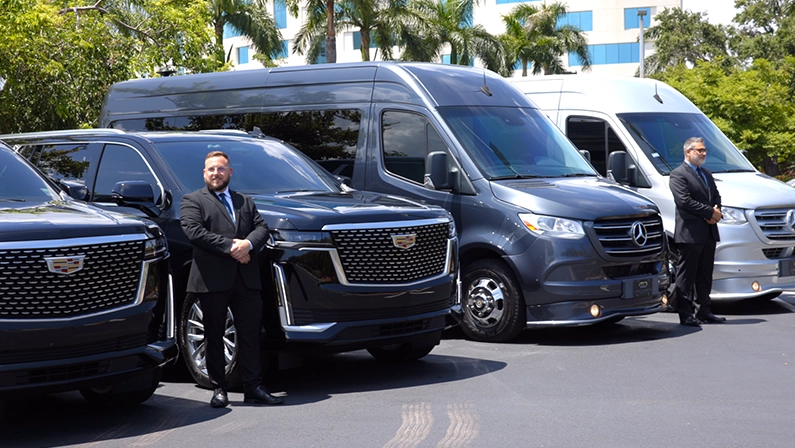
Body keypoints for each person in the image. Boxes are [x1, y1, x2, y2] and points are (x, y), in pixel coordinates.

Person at [181, 150, 285, 407]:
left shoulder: (244, 201)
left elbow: (261, 228)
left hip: (246, 279)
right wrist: (232, 248)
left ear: (230, 172)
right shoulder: (192, 200)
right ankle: (219, 389)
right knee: (214, 335)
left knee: (250, 335)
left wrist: (248, 245)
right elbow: (194, 232)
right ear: (204, 173)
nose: (216, 173)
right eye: (211, 169)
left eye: (221, 168)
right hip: (211, 280)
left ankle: (254, 387)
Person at [669, 137, 727, 327]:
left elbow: (716, 195)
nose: (703, 154)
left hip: (708, 232)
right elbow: (684, 201)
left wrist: (716, 212)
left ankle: (704, 310)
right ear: (688, 152)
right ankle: (685, 313)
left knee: (705, 273)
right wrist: (710, 213)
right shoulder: (678, 174)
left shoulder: (706, 173)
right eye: (699, 150)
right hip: (690, 233)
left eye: (704, 151)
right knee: (687, 275)